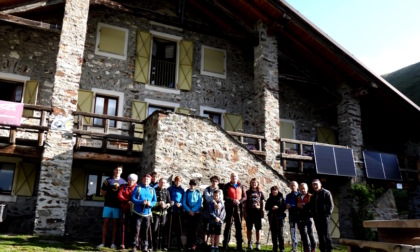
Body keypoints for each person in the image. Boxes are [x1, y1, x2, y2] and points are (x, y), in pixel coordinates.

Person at [98, 165, 126, 249]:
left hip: (117, 206)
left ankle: (113, 243)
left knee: (115, 223)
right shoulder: (108, 180)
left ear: (122, 172)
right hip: (108, 205)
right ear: (114, 171)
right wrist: (108, 198)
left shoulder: (123, 182)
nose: (118, 171)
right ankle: (103, 242)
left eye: (120, 170)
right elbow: (102, 191)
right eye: (117, 170)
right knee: (106, 222)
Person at [131, 174, 157, 252]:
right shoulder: (137, 188)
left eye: (148, 179)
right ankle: (134, 246)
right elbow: (133, 198)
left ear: (150, 181)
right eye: (145, 179)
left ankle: (144, 246)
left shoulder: (152, 189)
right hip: (137, 212)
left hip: (147, 213)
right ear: (142, 180)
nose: (146, 180)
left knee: (145, 231)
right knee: (136, 230)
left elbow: (154, 201)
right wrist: (141, 202)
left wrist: (151, 204)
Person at [223, 172, 246, 252]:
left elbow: (244, 197)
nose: (234, 178)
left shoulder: (241, 186)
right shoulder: (227, 186)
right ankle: (225, 245)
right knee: (228, 226)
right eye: (232, 176)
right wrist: (233, 200)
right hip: (229, 208)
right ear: (230, 177)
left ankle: (239, 246)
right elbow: (225, 196)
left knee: (239, 227)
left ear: (237, 177)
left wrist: (239, 201)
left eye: (235, 176)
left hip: (238, 209)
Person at [310, 179, 334, 252]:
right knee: (320, 234)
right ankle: (322, 250)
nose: (315, 186)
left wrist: (327, 214)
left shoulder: (326, 193)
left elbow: (331, 205)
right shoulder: (313, 195)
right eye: (313, 185)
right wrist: (313, 214)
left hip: (324, 217)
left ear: (320, 184)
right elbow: (312, 206)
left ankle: (329, 249)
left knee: (326, 234)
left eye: (316, 184)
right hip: (316, 218)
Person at [117, 173, 138, 250]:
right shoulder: (124, 186)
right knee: (123, 226)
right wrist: (126, 201)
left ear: (135, 181)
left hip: (134, 210)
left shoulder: (137, 187)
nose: (131, 181)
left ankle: (132, 243)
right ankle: (122, 243)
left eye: (133, 180)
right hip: (124, 208)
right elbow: (119, 195)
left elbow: (139, 196)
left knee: (133, 226)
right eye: (129, 179)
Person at [244, 178, 265, 250]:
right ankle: (249, 243)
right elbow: (245, 203)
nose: (254, 184)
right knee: (249, 228)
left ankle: (258, 243)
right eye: (252, 182)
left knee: (258, 229)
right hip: (249, 212)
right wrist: (245, 212)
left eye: (255, 182)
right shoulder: (247, 192)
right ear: (250, 184)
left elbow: (262, 202)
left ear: (257, 183)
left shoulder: (260, 192)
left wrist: (262, 211)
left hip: (257, 213)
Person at [203, 175, 223, 246]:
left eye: (216, 181)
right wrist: (214, 201)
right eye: (213, 181)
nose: (214, 182)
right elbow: (207, 198)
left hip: (216, 213)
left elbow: (221, 199)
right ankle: (205, 244)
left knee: (214, 229)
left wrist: (219, 204)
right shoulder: (207, 189)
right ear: (211, 181)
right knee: (206, 228)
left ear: (218, 182)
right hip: (207, 211)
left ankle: (213, 244)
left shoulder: (220, 191)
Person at [182, 179, 202, 251]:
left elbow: (199, 203)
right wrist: (189, 210)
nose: (192, 186)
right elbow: (183, 202)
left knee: (194, 230)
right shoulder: (186, 192)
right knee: (189, 229)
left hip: (196, 213)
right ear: (189, 184)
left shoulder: (198, 192)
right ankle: (189, 245)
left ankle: (194, 245)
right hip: (188, 213)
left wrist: (193, 210)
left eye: (193, 185)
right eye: (191, 184)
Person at [151, 178, 171, 251]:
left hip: (164, 213)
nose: (163, 184)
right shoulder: (154, 190)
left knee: (164, 230)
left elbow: (169, 202)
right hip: (156, 213)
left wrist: (166, 205)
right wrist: (158, 203)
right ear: (158, 183)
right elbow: (151, 201)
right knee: (155, 229)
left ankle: (163, 246)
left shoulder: (167, 191)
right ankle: (154, 246)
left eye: (164, 183)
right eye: (161, 182)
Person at [265, 186, 286, 252]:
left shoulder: (281, 198)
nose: (274, 191)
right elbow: (266, 207)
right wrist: (272, 207)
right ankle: (275, 248)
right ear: (271, 191)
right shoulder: (269, 199)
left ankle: (281, 248)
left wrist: (278, 207)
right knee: (273, 233)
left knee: (280, 233)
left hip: (280, 217)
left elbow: (284, 207)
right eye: (273, 190)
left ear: (278, 191)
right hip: (272, 217)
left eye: (275, 190)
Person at [297, 183, 316, 252]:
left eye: (304, 188)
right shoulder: (298, 197)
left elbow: (312, 206)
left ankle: (313, 248)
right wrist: (297, 206)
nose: (303, 189)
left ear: (307, 188)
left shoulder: (311, 196)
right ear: (299, 189)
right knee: (303, 234)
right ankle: (306, 248)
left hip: (309, 217)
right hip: (301, 217)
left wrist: (304, 206)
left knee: (310, 233)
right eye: (301, 188)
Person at [167, 175, 185, 250]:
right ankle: (168, 245)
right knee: (169, 228)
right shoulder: (170, 188)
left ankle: (179, 245)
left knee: (178, 229)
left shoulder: (182, 190)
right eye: (176, 181)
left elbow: (183, 200)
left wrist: (180, 204)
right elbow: (167, 197)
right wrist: (169, 202)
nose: (178, 182)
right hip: (171, 209)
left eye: (179, 181)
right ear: (174, 181)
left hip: (178, 210)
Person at [285, 181, 299, 252]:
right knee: (292, 231)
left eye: (294, 185)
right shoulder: (288, 195)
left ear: (297, 186)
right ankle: (294, 248)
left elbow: (299, 203)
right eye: (291, 185)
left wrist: (291, 205)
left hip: (299, 214)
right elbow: (286, 203)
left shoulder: (300, 194)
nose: (293, 186)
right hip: (291, 215)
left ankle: (306, 247)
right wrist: (287, 205)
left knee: (303, 231)